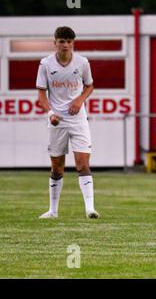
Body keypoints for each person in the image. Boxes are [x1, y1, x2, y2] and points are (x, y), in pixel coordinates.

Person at [36, 26, 100, 219]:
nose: (65, 45)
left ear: (73, 43)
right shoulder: (46, 64)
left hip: (78, 119)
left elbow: (90, 86)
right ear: (55, 42)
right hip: (57, 120)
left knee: (82, 163)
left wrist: (80, 100)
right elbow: (41, 93)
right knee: (57, 166)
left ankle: (90, 208)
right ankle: (53, 211)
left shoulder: (82, 63)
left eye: (69, 42)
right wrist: (50, 113)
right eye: (62, 41)